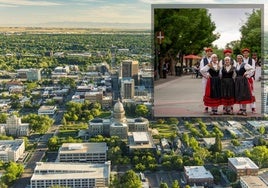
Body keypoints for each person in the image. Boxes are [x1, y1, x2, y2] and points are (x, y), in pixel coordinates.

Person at [219, 48, 236, 113]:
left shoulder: (233, 61)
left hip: (230, 81)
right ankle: (224, 107)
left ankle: (230, 108)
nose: (228, 54)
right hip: (223, 81)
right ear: (225, 54)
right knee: (224, 94)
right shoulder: (221, 61)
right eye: (226, 53)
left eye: (229, 53)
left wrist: (233, 80)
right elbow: (220, 73)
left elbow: (234, 73)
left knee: (230, 94)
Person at [242, 48, 256, 113]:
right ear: (243, 54)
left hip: (249, 77)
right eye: (244, 53)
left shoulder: (252, 60)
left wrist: (248, 75)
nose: (245, 54)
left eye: (247, 53)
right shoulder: (241, 60)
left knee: (251, 92)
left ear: (248, 53)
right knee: (242, 92)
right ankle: (242, 108)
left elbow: (253, 69)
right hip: (242, 78)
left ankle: (253, 107)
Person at [200, 47, 213, 113]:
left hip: (212, 78)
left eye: (210, 51)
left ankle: (213, 106)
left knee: (212, 92)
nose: (209, 53)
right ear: (206, 52)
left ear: (212, 53)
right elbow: (201, 70)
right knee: (205, 92)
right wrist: (206, 75)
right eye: (208, 51)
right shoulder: (203, 60)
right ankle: (206, 106)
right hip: (205, 78)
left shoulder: (214, 59)